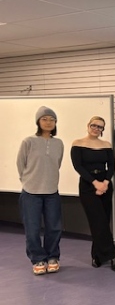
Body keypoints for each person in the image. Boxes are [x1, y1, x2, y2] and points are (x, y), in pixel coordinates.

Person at [17, 106, 64, 275]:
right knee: (33, 228)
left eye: (52, 119)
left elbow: (57, 164)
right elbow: (20, 164)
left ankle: (52, 257)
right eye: (44, 119)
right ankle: (37, 258)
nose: (48, 122)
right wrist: (28, 182)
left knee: (54, 227)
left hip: (52, 192)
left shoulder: (58, 143)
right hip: (31, 193)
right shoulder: (28, 142)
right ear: (38, 121)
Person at [71, 116, 115, 272]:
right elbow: (78, 167)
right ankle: (112, 256)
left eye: (100, 127)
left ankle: (97, 255)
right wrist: (95, 183)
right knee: (97, 220)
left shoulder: (106, 145)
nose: (96, 128)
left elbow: (111, 166)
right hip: (88, 185)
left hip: (105, 184)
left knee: (102, 222)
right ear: (88, 125)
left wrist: (105, 182)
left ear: (102, 130)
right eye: (94, 125)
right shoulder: (78, 144)